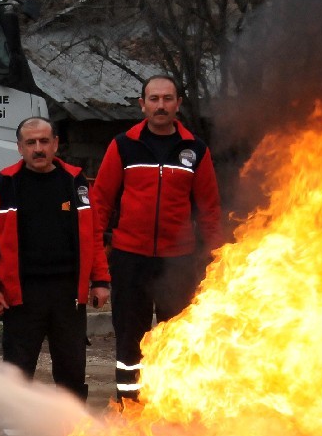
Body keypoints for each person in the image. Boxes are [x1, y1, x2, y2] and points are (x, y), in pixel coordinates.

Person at [0, 117, 110, 436]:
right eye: (30, 143)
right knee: (18, 370)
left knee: (71, 370)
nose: (38, 149)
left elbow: (94, 236)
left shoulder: (75, 183)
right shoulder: (5, 186)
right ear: (19, 147)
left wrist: (100, 281)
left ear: (55, 144)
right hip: (21, 295)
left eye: (44, 141)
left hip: (69, 294)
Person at [89, 75, 222, 402]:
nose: (160, 105)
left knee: (175, 336)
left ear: (178, 104)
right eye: (154, 99)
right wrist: (95, 259)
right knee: (129, 339)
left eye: (167, 99)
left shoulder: (195, 150)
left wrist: (217, 260)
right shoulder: (123, 145)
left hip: (177, 262)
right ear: (142, 104)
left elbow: (209, 210)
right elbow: (101, 203)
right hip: (129, 258)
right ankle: (129, 405)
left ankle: (170, 405)